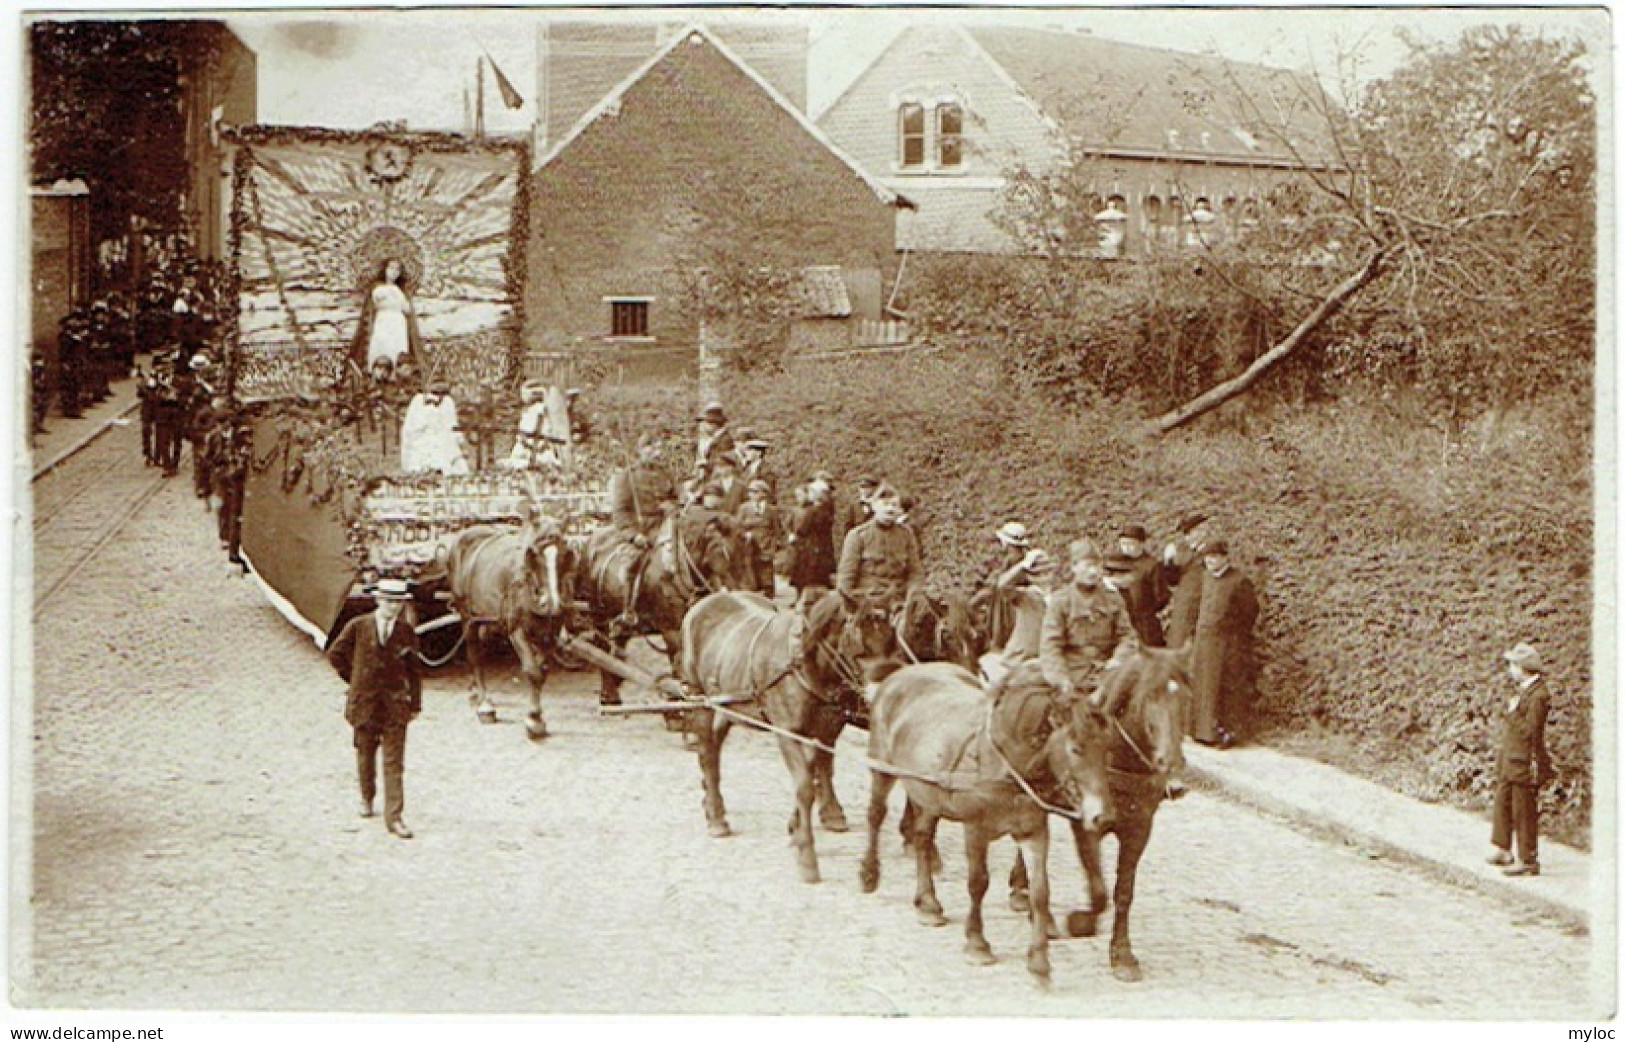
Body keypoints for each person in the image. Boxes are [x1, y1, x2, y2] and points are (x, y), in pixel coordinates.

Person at [327, 577, 423, 840]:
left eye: (398, 603)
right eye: (389, 601)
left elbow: (415, 671)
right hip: (365, 705)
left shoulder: (406, 632)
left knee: (394, 762)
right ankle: (367, 797)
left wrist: (415, 703)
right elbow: (335, 654)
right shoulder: (358, 627)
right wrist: (354, 679)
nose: (393, 607)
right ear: (378, 600)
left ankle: (394, 818)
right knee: (365, 754)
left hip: (395, 706)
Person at [1039, 538, 1136, 703]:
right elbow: (1050, 645)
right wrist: (1060, 679)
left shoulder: (1112, 599)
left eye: (1097, 566)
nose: (1093, 572)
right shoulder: (1061, 601)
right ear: (1074, 567)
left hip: (1108, 674)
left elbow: (1128, 637)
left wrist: (1118, 660)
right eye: (1087, 566)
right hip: (1073, 675)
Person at [1186, 539, 1260, 748]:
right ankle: (1202, 731)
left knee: (1225, 687)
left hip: (1228, 644)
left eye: (1215, 557)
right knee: (1203, 685)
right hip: (1204, 642)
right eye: (1207, 557)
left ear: (1225, 558)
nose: (1210, 561)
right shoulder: (1205, 577)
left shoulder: (1239, 581)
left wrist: (1234, 635)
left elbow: (1250, 612)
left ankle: (1227, 732)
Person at [1488, 642, 1552, 877]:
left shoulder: (1539, 695)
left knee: (1523, 809)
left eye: (1513, 666)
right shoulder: (1526, 691)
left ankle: (1528, 860)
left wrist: (1514, 712)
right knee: (1503, 801)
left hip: (1525, 761)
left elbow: (1530, 731)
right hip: (1511, 758)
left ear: (1524, 668)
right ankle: (1503, 849)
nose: (1510, 671)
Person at [835, 483, 922, 613]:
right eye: (885, 504)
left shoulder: (907, 534)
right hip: (868, 601)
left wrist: (912, 597)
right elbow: (846, 576)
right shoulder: (858, 535)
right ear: (874, 506)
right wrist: (850, 606)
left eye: (894, 505)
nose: (890, 509)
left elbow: (915, 572)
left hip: (900, 601)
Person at [607, 434, 677, 548]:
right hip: (642, 532)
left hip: (667, 529)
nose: (656, 452)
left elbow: (676, 499)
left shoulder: (665, 474)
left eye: (658, 448)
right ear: (640, 450)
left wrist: (672, 506)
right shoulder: (627, 476)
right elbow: (620, 512)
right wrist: (633, 535)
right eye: (651, 448)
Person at [353, 258, 422, 374]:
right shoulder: (377, 288)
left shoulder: (401, 290)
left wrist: (397, 295)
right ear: (384, 269)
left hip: (398, 322)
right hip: (383, 320)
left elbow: (407, 309)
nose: (393, 272)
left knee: (397, 347)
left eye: (397, 269)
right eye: (391, 268)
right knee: (381, 345)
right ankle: (378, 374)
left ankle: (396, 374)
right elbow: (372, 305)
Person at [1114, 524, 1169, 646]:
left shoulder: (1152, 565)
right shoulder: (1117, 565)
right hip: (1124, 622)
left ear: (1141, 544)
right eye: (1123, 544)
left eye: (1130, 544)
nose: (1126, 548)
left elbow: (1162, 596)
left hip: (1146, 624)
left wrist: (1146, 608)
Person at [400, 380, 470, 475]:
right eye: (436, 392)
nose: (439, 396)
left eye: (443, 393)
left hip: (444, 440)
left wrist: (461, 444)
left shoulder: (448, 402)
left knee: (455, 463)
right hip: (421, 442)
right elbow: (412, 430)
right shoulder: (418, 401)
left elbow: (452, 425)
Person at [787, 474, 837, 595]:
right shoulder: (827, 509)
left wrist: (796, 534)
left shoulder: (812, 511)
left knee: (805, 574)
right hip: (823, 546)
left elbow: (802, 529)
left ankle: (803, 598)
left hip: (809, 546)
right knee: (819, 575)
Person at [736, 478, 781, 596]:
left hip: (766, 547)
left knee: (767, 575)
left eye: (755, 491)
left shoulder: (772, 510)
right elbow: (737, 527)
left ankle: (769, 597)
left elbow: (777, 530)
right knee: (750, 575)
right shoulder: (744, 508)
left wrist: (773, 546)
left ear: (764, 493)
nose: (751, 494)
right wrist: (745, 534)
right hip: (749, 547)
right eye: (750, 491)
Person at [692, 402, 735, 485]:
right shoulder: (714, 439)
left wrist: (705, 464)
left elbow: (723, 461)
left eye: (705, 423)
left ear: (713, 424)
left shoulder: (725, 440)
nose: (701, 427)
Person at [835, 476, 879, 550]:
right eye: (862, 487)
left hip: (875, 543)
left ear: (873, 489)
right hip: (858, 543)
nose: (864, 490)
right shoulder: (854, 506)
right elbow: (848, 527)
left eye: (867, 487)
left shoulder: (879, 505)